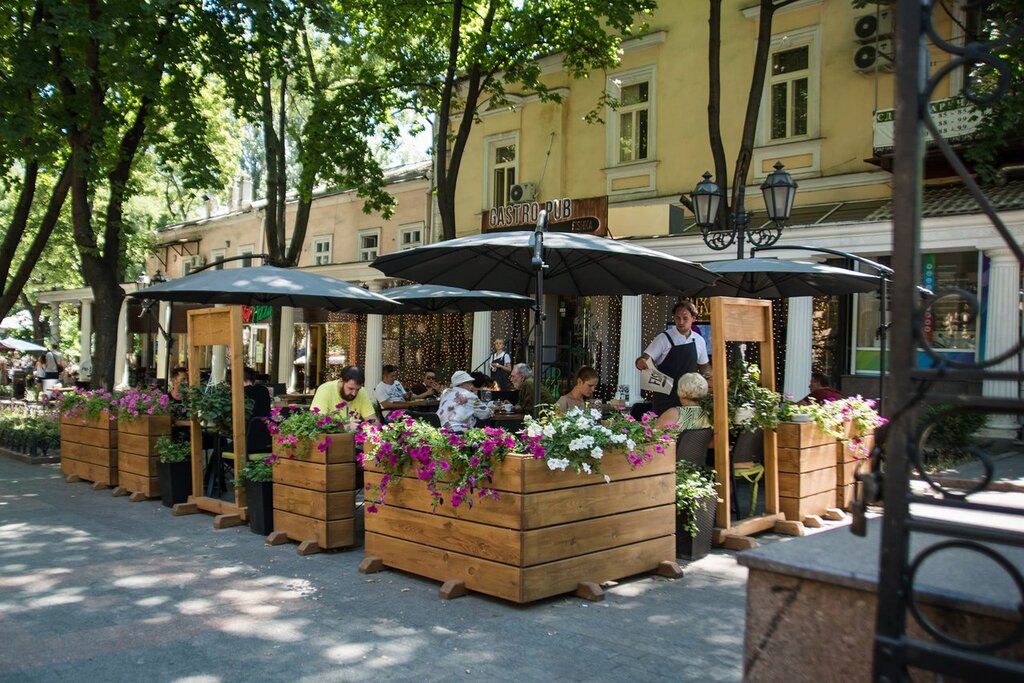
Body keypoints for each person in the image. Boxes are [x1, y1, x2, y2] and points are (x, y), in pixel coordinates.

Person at [635, 301, 710, 416]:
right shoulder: (663, 338)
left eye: (685, 318)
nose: (681, 322)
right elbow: (643, 360)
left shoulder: (699, 340)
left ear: (693, 318)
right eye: (677, 318)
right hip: (665, 398)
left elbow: (704, 366)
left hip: (689, 398)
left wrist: (710, 377)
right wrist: (642, 362)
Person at [310, 365, 376, 429]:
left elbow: (374, 422)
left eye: (357, 389)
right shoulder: (325, 389)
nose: (354, 393)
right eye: (350, 388)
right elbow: (316, 421)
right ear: (341, 381)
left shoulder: (362, 391)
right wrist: (346, 427)